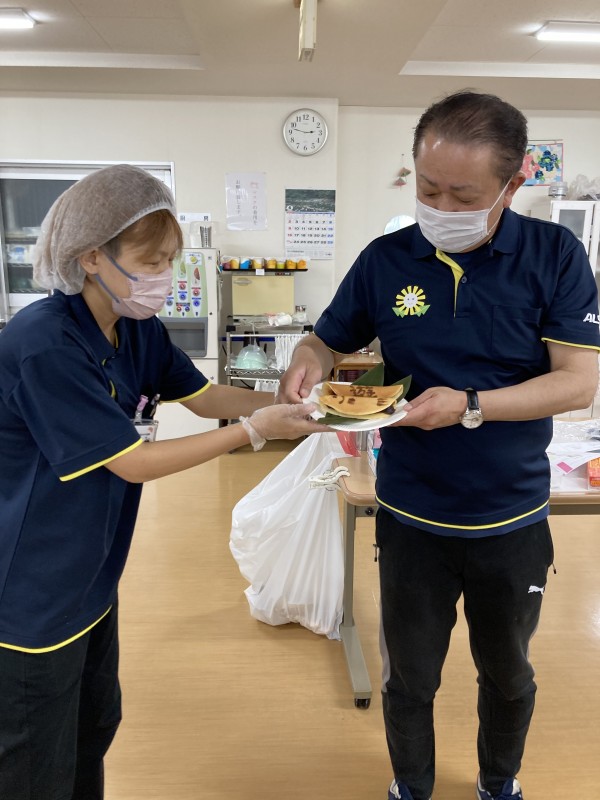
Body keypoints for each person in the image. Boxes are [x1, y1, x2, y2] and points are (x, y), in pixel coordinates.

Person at [278, 90, 600, 800]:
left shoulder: (554, 255)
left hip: (511, 519)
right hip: (411, 515)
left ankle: (498, 781)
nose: (441, 207)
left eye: (463, 195)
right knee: (410, 677)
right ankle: (411, 786)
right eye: (427, 189)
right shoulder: (386, 259)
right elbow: (327, 339)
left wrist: (471, 405)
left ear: (513, 183)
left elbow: (578, 383)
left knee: (508, 674)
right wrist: (306, 359)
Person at [0, 164, 327, 800]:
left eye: (169, 261)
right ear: (91, 257)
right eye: (151, 262)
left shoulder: (135, 327)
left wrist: (287, 401)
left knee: (93, 728)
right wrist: (253, 431)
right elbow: (134, 462)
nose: (165, 277)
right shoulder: (45, 345)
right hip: (31, 586)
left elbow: (202, 397)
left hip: (91, 571)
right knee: (36, 762)